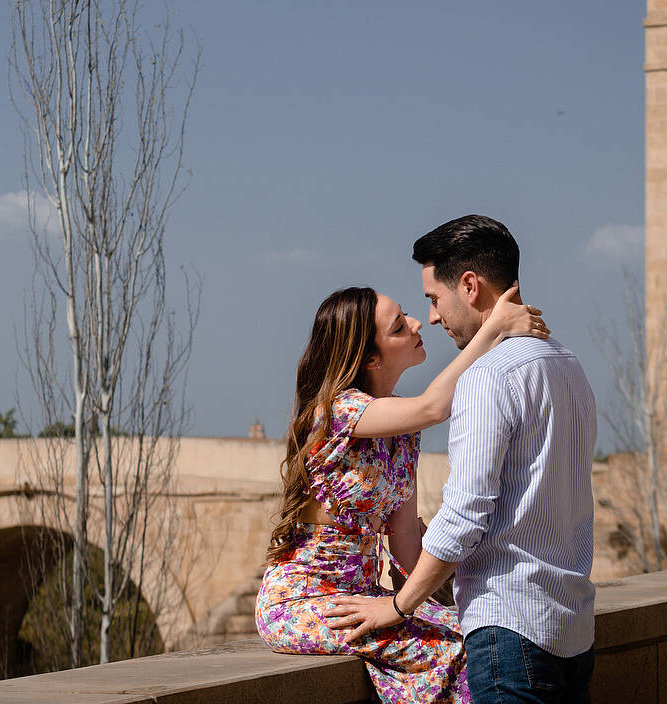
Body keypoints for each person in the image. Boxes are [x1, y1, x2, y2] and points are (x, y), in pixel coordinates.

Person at [325, 215, 597, 704]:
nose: (430, 317)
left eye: (433, 298)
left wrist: (400, 607)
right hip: (574, 631)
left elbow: (464, 515)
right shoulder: (567, 363)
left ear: (469, 285)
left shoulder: (488, 377)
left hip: (510, 631)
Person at [255, 282, 549, 704]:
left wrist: (444, 592)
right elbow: (433, 406)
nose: (416, 324)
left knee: (478, 639)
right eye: (398, 327)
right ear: (371, 357)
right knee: (448, 655)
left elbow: (406, 540)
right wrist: (494, 327)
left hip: (362, 598)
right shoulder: (338, 409)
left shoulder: (404, 434)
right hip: (301, 603)